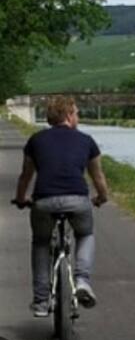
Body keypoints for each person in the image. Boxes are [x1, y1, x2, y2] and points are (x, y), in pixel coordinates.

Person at [13, 96, 109, 316]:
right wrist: (102, 197)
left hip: (43, 201)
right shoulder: (86, 141)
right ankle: (82, 281)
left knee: (41, 243)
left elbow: (25, 177)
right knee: (85, 235)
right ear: (68, 115)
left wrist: (20, 199)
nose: (78, 117)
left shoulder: (36, 140)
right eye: (76, 113)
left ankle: (41, 301)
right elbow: (98, 177)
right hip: (77, 200)